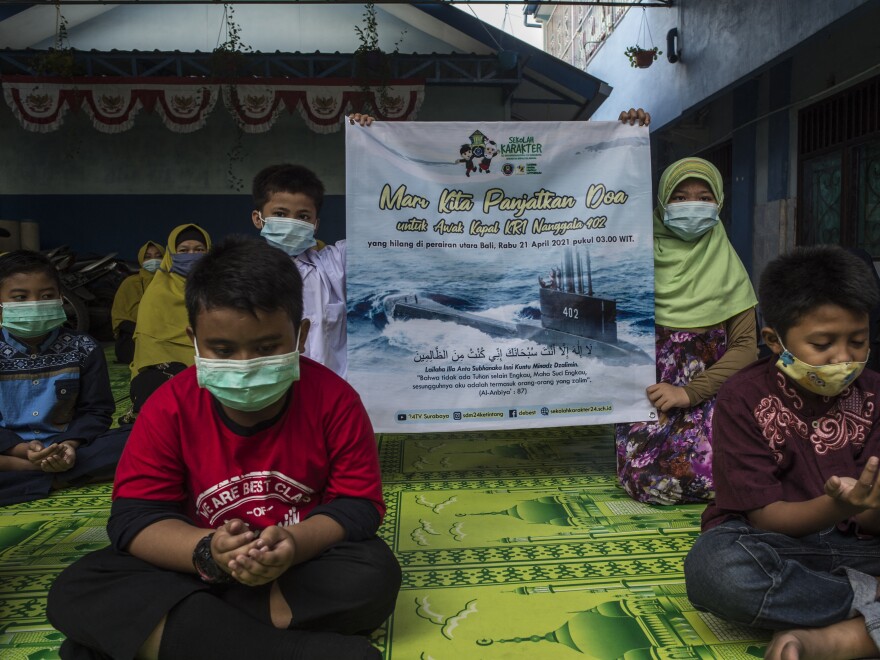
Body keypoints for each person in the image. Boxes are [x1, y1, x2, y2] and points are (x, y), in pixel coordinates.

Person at [47, 236, 400, 659]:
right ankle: (274, 649)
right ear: (194, 340)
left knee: (371, 576)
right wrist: (207, 552)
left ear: (301, 334)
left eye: (268, 347)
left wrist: (292, 544)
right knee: (78, 586)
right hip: (194, 566)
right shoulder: (168, 406)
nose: (245, 364)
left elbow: (357, 506)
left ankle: (172, 634)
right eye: (222, 349)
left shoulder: (335, 399)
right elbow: (135, 518)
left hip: (296, 566)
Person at [683, 245, 880, 660]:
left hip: (863, 548)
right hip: (774, 545)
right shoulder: (742, 397)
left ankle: (830, 629)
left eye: (858, 342)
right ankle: (867, 603)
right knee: (714, 568)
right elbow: (765, 516)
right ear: (774, 340)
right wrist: (839, 505)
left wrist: (867, 507)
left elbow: (872, 517)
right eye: (823, 344)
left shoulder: (877, 394)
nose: (843, 358)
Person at [614, 157, 758, 505]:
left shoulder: (728, 268)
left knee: (721, 472)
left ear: (719, 203)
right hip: (649, 396)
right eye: (679, 197)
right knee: (649, 481)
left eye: (704, 196)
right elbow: (617, 337)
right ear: (661, 203)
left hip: (714, 394)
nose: (692, 205)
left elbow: (745, 348)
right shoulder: (633, 259)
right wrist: (623, 137)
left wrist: (689, 393)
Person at [0, 250, 128, 506]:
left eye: (46, 296)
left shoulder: (84, 347)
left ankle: (41, 472)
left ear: (60, 298)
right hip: (7, 451)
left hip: (69, 448)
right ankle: (47, 473)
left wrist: (68, 445)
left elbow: (97, 411)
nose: (35, 303)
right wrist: (22, 451)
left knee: (138, 438)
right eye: (20, 297)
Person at [251, 164, 350, 378]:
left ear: (316, 224)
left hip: (330, 395)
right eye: (280, 213)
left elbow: (380, 227)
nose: (292, 222)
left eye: (303, 217)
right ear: (258, 218)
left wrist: (378, 135)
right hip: (269, 396)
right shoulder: (244, 274)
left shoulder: (334, 265)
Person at [127, 224, 210, 418]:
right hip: (165, 367)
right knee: (153, 388)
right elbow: (148, 351)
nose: (192, 255)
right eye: (183, 251)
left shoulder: (222, 289)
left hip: (213, 365)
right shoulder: (157, 294)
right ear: (171, 254)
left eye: (199, 250)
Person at [111, 240, 164, 365]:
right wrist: (145, 332)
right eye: (148, 257)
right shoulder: (130, 283)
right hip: (136, 334)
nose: (154, 260)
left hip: (166, 334)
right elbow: (120, 318)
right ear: (141, 259)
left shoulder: (171, 282)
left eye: (158, 256)